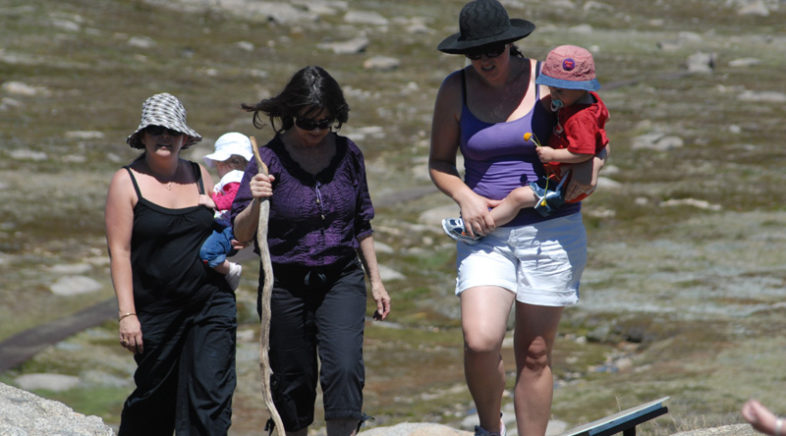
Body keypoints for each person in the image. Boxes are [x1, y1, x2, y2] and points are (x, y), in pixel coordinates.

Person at [429, 1, 608, 435]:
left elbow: (593, 136)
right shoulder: (456, 89)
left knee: (535, 353)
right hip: (486, 231)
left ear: (511, 43)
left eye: (494, 49)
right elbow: (439, 162)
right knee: (481, 339)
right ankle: (491, 428)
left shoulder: (546, 82)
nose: (486, 59)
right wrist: (465, 197)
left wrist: (594, 167)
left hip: (552, 229)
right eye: (476, 53)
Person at [231, 65, 391, 436]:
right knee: (291, 376)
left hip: (340, 275)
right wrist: (256, 200)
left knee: (345, 367)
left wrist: (377, 282)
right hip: (285, 283)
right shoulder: (266, 160)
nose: (317, 131)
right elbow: (239, 233)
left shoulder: (349, 155)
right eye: (308, 122)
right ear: (290, 116)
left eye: (326, 122)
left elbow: (361, 223)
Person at [105, 92, 237, 435]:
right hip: (156, 309)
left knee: (210, 396)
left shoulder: (197, 174)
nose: (164, 137)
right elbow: (119, 251)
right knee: (155, 399)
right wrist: (127, 314)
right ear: (143, 137)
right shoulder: (126, 181)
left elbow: (221, 224)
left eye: (172, 131)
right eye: (156, 131)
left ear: (183, 138)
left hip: (210, 301)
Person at [442, 44, 609, 244]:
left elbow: (583, 151)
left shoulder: (580, 117)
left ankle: (477, 229)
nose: (553, 95)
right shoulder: (584, 103)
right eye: (551, 88)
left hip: (563, 183)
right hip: (560, 177)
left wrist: (553, 155)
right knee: (517, 198)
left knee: (517, 199)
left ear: (581, 88)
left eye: (559, 91)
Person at [198, 131, 255, 290]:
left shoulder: (234, 177)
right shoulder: (243, 176)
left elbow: (232, 199)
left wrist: (213, 201)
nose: (218, 169)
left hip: (228, 226)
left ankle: (230, 271)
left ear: (224, 164)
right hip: (232, 225)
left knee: (208, 254)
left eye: (217, 165)